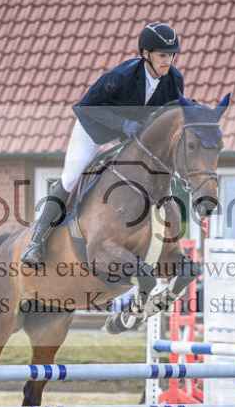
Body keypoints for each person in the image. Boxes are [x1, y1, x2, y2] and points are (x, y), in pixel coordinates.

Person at [21, 22, 185, 268]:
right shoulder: (122, 76)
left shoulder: (174, 80)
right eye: (162, 55)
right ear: (145, 53)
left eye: (171, 55)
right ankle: (37, 240)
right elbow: (87, 107)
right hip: (94, 129)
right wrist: (123, 124)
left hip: (130, 134)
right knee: (71, 177)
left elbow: (171, 115)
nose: (168, 61)